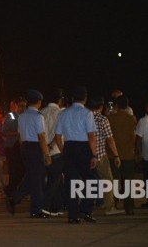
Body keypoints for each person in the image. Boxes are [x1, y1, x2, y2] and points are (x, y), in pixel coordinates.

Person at [55, 86, 98, 224]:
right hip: (84, 147)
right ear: (85, 98)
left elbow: (57, 136)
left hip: (69, 147)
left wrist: (63, 150)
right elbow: (91, 136)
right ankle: (86, 210)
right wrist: (94, 155)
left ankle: (72, 215)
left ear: (72, 98)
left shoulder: (63, 113)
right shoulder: (87, 113)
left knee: (71, 183)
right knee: (91, 181)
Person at [6, 89, 51, 218]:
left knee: (31, 177)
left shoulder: (22, 116)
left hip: (25, 146)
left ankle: (14, 199)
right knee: (37, 180)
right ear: (39, 102)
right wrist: (47, 154)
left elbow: (20, 136)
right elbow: (41, 136)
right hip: (34, 147)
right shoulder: (38, 116)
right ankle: (36, 209)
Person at [88, 96, 123, 216]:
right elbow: (110, 139)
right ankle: (110, 207)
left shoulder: (84, 117)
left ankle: (85, 206)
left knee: (87, 181)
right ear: (101, 107)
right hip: (100, 155)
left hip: (86, 154)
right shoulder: (103, 119)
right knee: (108, 180)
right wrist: (116, 155)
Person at [107, 94, 138, 215]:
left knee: (114, 180)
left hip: (113, 154)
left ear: (116, 105)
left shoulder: (110, 119)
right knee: (128, 181)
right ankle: (129, 206)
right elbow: (134, 136)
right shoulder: (132, 119)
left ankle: (113, 203)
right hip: (128, 153)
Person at [41, 88, 65, 215]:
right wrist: (52, 145)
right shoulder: (60, 113)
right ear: (60, 100)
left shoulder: (42, 112)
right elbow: (58, 134)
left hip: (44, 151)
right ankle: (45, 206)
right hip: (56, 150)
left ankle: (58, 206)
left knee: (55, 180)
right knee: (54, 180)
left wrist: (45, 147)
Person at [2, 96, 27, 197]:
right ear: (16, 106)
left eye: (25, 106)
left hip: (21, 146)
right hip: (11, 146)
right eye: (21, 106)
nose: (23, 108)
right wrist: (16, 134)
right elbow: (4, 132)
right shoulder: (11, 116)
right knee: (14, 170)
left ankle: (14, 190)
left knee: (21, 169)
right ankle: (11, 191)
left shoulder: (25, 116)